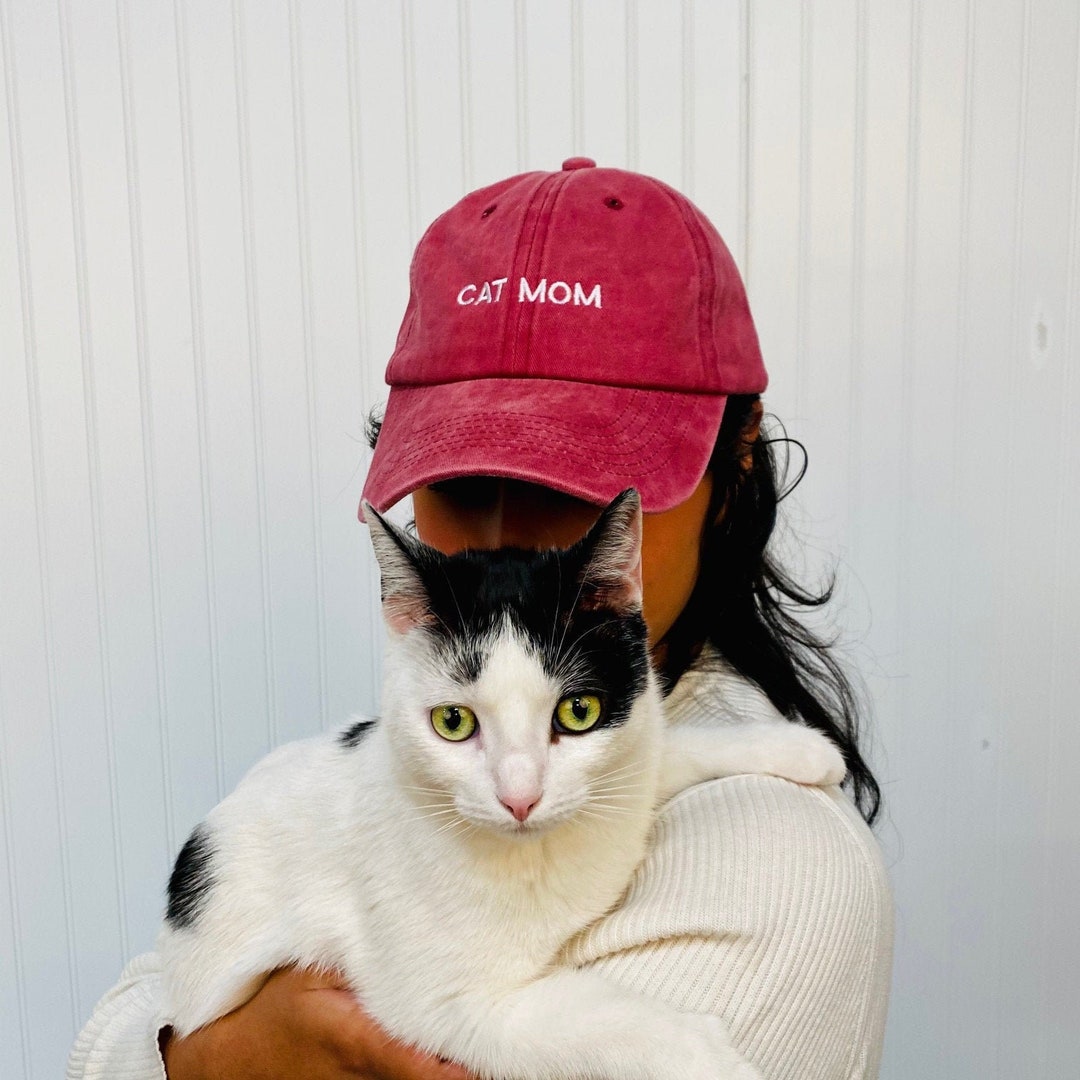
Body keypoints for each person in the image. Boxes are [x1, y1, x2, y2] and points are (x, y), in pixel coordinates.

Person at [68, 158, 892, 1080]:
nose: (505, 541)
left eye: (568, 480)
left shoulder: (782, 863)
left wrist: (196, 1059)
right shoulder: (438, 741)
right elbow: (115, 1029)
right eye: (456, 483)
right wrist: (213, 1057)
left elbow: (124, 1042)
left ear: (737, 456)